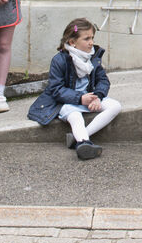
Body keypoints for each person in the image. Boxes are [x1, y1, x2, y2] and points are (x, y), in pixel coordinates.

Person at [27, 19, 121, 160]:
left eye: (92, 38)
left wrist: (97, 96)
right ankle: (84, 143)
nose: (91, 42)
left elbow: (103, 80)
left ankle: (78, 138)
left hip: (89, 97)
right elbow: (56, 89)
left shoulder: (93, 57)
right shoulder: (59, 60)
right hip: (66, 102)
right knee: (75, 116)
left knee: (115, 106)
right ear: (72, 42)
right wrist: (80, 98)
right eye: (86, 39)